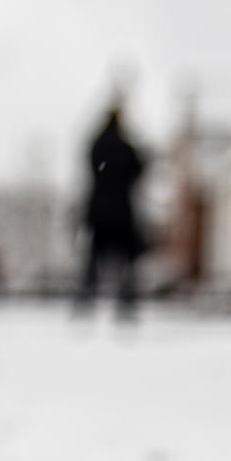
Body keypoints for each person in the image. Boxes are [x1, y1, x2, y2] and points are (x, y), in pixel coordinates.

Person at [77, 101, 147, 316]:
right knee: (126, 260)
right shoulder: (125, 147)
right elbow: (138, 169)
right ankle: (125, 301)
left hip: (99, 211)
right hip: (121, 212)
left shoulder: (97, 144)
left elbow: (91, 165)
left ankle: (85, 300)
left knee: (94, 259)